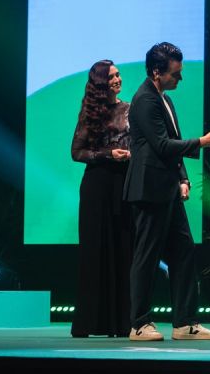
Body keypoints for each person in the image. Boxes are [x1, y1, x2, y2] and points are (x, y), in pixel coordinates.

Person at [124, 42, 210, 341]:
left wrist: (182, 177)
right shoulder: (145, 99)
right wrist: (203, 142)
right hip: (148, 189)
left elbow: (173, 144)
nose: (180, 78)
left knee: (183, 253)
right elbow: (160, 145)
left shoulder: (164, 99)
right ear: (156, 72)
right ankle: (139, 323)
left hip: (167, 187)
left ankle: (185, 323)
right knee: (146, 257)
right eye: (175, 73)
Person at [70, 60, 132, 338]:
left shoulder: (129, 108)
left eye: (118, 74)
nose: (118, 79)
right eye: (111, 77)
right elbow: (76, 152)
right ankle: (89, 322)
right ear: (100, 83)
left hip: (123, 184)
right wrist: (108, 154)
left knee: (123, 249)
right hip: (97, 185)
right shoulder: (90, 113)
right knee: (94, 251)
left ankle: (121, 322)